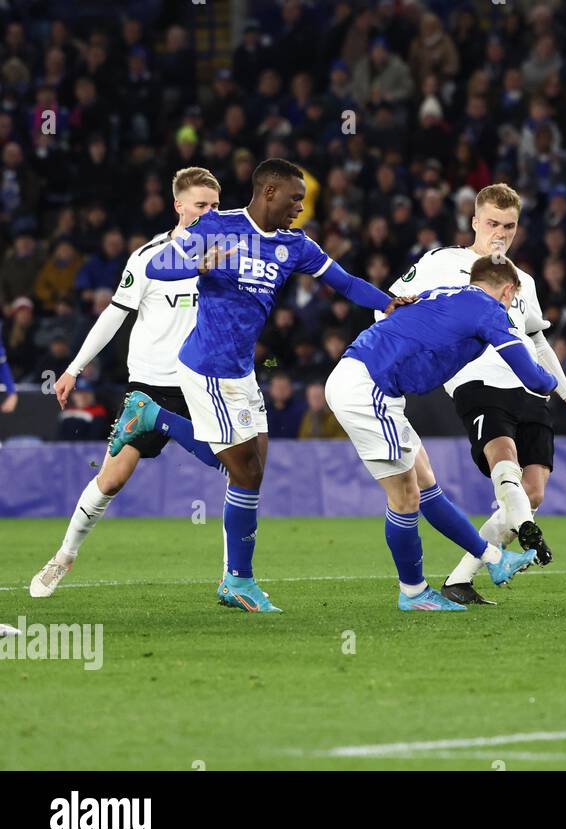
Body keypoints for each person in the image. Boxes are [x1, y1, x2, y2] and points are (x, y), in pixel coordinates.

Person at [109, 159, 402, 613]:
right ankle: (155, 419)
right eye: (294, 199)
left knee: (253, 466)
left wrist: (389, 303)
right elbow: (160, 267)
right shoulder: (215, 226)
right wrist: (198, 266)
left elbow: (344, 283)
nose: (300, 208)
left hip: (242, 370)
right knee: (243, 470)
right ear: (268, 192)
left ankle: (236, 578)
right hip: (206, 366)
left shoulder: (295, 244)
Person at [384, 183, 566, 606]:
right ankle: (530, 537)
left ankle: (461, 579)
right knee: (505, 462)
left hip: (530, 388)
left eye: (509, 226)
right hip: (476, 381)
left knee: (531, 493)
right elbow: (389, 305)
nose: (500, 233)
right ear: (475, 222)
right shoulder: (444, 262)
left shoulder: (524, 282)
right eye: (493, 223)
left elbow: (537, 343)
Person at [32, 167, 226, 598]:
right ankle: (63, 556)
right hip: (152, 383)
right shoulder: (148, 257)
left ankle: (236, 577)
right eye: (200, 205)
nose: (209, 213)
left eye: (215, 205)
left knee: (241, 469)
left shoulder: (227, 256)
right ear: (178, 206)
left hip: (204, 382)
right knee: (113, 479)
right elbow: (113, 316)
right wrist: (73, 369)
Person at [325, 255, 554, 610]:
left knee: (426, 484)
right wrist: (554, 382)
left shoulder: (442, 293)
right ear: (508, 290)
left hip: (370, 381)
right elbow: (533, 377)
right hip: (368, 386)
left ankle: (494, 560)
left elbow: (400, 319)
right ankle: (414, 593)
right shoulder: (489, 309)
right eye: (510, 299)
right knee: (405, 498)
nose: (509, 307)